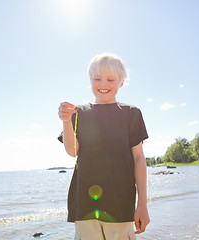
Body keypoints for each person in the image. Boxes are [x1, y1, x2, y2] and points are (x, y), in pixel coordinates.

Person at [58, 53, 150, 240]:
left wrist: (142, 204)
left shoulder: (131, 114)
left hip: (121, 203)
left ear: (121, 82)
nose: (103, 84)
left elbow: (139, 158)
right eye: (97, 78)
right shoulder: (79, 113)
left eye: (110, 79)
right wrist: (66, 121)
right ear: (90, 80)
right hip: (84, 205)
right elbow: (72, 151)